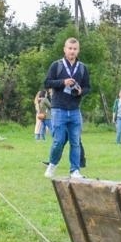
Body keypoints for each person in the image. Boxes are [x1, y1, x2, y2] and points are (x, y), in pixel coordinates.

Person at [44, 37, 90, 177]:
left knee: (75, 141)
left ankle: (75, 170)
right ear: (65, 49)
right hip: (59, 108)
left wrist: (82, 91)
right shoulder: (56, 65)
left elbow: (88, 87)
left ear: (78, 50)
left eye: (75, 49)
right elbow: (47, 83)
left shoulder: (82, 68)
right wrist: (63, 82)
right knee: (58, 141)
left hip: (75, 109)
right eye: (70, 48)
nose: (72, 51)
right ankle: (53, 163)